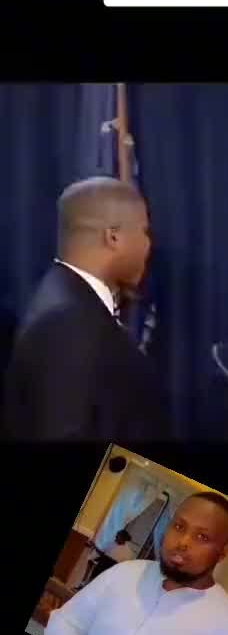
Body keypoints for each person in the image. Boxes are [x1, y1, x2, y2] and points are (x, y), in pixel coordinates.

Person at [3, 176, 169, 441]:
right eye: (144, 232)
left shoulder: (68, 301)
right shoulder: (66, 321)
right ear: (113, 237)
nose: (149, 244)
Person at [44, 491, 228, 635]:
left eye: (202, 536)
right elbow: (67, 622)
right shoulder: (125, 573)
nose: (183, 542)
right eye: (179, 526)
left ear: (223, 553)